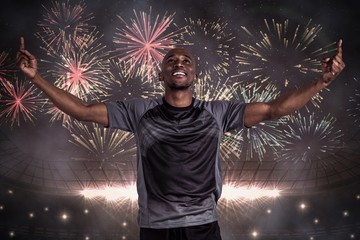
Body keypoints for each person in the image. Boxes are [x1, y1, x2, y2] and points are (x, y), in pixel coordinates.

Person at [17, 36, 345, 240]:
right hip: (155, 227)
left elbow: (274, 109)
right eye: (171, 60)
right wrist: (37, 78)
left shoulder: (217, 113)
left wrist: (323, 81)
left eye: (186, 60)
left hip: (203, 226)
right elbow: (83, 111)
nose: (179, 62)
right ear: (161, 74)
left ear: (194, 74)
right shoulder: (138, 111)